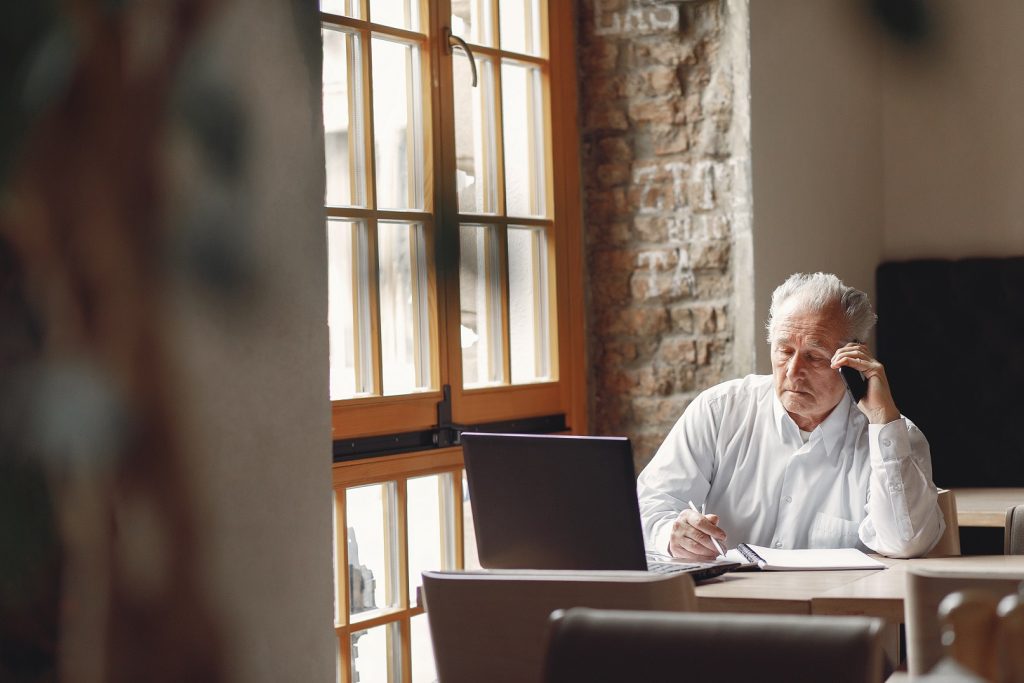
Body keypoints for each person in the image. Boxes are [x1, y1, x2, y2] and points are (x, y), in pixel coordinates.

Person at [637, 272, 944, 560]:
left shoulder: (893, 438)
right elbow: (648, 504)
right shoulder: (719, 411)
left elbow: (906, 543)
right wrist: (671, 535)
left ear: (853, 359)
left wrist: (881, 418)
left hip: (837, 612)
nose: (794, 372)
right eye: (784, 351)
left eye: (814, 356)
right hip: (727, 608)